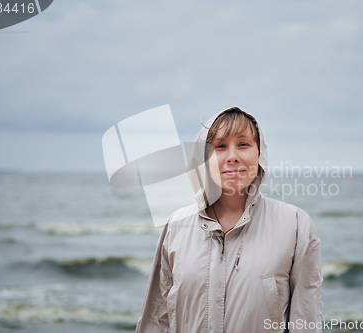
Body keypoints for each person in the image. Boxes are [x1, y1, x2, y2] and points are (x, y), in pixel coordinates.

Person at [135, 107, 322, 333]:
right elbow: (156, 319)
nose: (233, 156)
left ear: (259, 153)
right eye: (220, 146)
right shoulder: (176, 226)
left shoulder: (295, 224)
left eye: (243, 144)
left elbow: (306, 319)